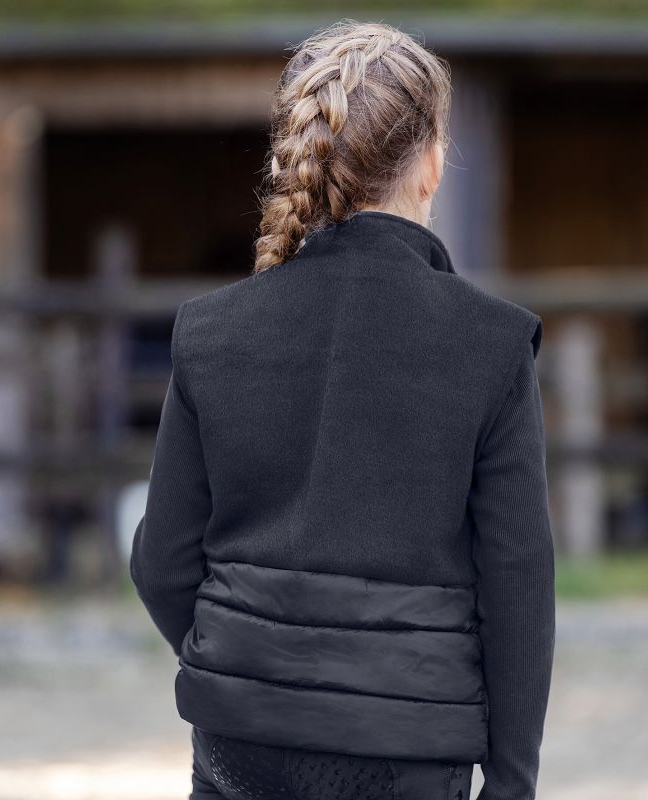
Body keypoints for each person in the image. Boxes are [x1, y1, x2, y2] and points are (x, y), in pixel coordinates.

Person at [130, 18, 556, 800]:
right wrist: (511, 785)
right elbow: (517, 590)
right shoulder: (492, 345)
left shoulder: (212, 330)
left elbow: (161, 562)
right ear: (432, 162)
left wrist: (246, 660)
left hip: (240, 740)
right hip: (405, 749)